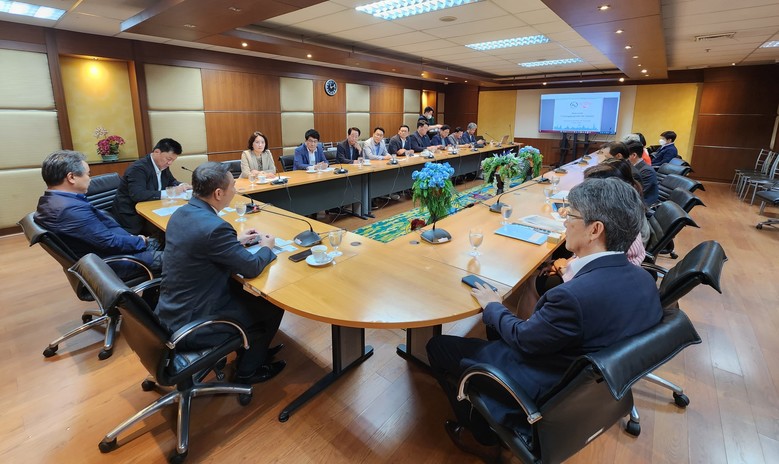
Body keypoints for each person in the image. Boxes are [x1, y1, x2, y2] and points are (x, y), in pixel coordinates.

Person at [426, 178, 662, 461]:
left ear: (595, 230)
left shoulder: (572, 297)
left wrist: (493, 305)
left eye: (571, 215)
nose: (566, 222)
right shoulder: (645, 280)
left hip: (541, 383)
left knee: (437, 346)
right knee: (496, 328)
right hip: (587, 387)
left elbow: (524, 339)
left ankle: (481, 436)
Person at [155, 162, 286, 385]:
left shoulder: (181, 213)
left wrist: (235, 242)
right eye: (232, 186)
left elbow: (200, 247)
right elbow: (251, 267)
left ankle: (255, 349)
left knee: (244, 294)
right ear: (218, 193)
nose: (235, 190)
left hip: (171, 311)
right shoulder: (215, 228)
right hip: (194, 323)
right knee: (270, 306)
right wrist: (267, 248)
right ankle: (248, 370)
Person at [34, 150, 162, 278]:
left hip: (114, 251)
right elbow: (110, 243)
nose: (89, 179)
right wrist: (140, 241)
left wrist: (136, 239)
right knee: (175, 256)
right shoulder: (69, 210)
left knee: (167, 240)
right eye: (87, 174)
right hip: (120, 261)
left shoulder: (49, 201)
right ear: (71, 177)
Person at [113, 138, 190, 235]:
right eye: (168, 159)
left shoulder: (162, 165)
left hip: (152, 208)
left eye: (173, 160)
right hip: (132, 215)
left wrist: (182, 185)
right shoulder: (138, 168)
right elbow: (138, 195)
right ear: (157, 152)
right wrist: (170, 192)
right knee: (172, 229)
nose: (170, 163)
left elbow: (171, 181)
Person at [626, 140, 659, 206]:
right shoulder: (631, 165)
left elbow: (637, 193)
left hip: (643, 203)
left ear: (634, 155)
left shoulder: (647, 171)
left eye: (626, 155)